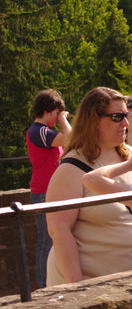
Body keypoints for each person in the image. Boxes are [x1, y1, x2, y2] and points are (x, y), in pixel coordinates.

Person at [45, 87, 132, 286]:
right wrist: (76, 286)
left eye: (126, 115)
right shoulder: (72, 167)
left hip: (131, 281)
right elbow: (59, 231)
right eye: (117, 117)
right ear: (93, 120)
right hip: (93, 286)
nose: (126, 123)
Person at [26, 89, 72, 288]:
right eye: (56, 112)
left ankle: (50, 282)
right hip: (43, 191)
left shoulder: (44, 132)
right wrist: (63, 119)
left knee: (54, 238)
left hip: (50, 190)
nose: (57, 117)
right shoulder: (38, 131)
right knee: (47, 241)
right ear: (48, 110)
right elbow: (70, 138)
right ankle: (44, 286)